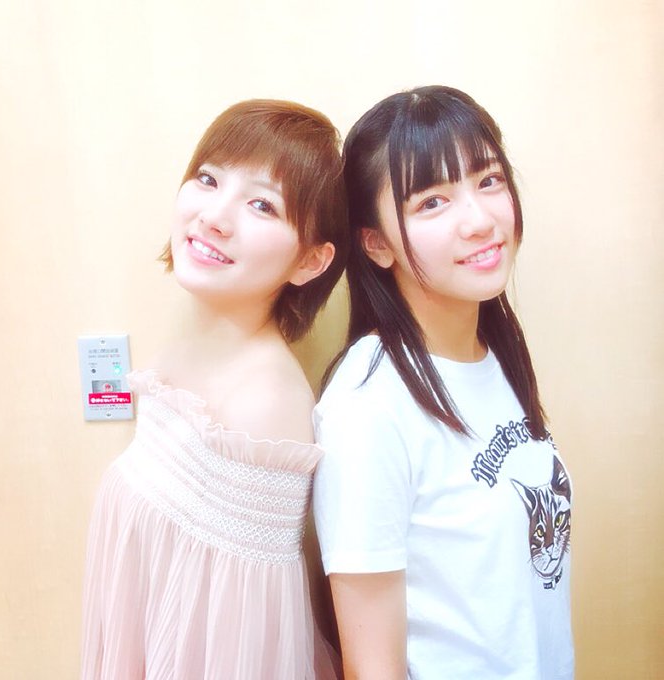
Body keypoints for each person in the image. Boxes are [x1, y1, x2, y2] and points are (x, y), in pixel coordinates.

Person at [312, 86, 574, 679]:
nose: (479, 220)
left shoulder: (493, 350)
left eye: (488, 180)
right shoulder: (368, 407)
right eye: (432, 202)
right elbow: (373, 668)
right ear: (376, 243)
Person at [81, 99, 348, 680]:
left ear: (310, 261)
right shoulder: (184, 347)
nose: (214, 216)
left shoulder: (266, 406)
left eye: (262, 204)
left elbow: (243, 648)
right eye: (208, 178)